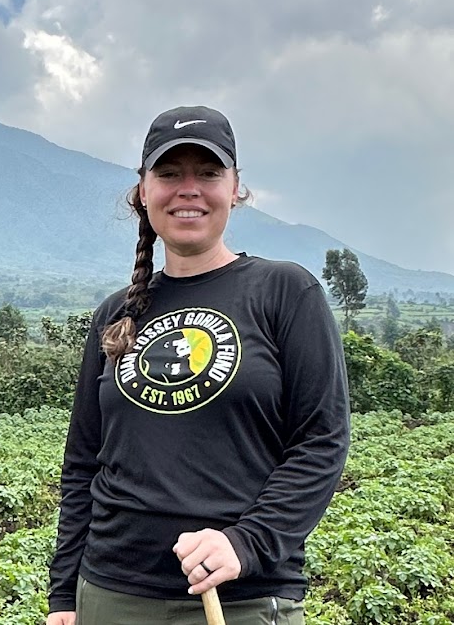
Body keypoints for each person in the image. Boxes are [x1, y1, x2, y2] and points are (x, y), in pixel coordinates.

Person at [46, 105, 350, 625]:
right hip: (111, 593)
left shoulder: (284, 290)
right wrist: (64, 596)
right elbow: (83, 462)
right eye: (169, 174)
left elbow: (322, 440)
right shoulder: (115, 313)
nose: (189, 189)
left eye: (208, 173)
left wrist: (246, 542)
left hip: (243, 597)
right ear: (143, 191)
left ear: (235, 189)